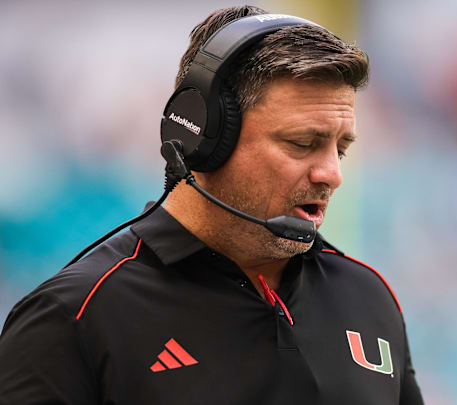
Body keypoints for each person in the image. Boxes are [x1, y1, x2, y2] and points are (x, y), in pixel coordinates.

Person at [0, 6, 423, 404]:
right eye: (302, 144)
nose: (331, 174)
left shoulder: (368, 297)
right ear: (203, 137)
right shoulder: (76, 316)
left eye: (341, 149)